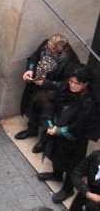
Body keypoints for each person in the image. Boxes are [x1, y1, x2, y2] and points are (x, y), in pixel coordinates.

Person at [35, 65, 99, 204]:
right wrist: (49, 124)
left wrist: (59, 131)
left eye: (77, 83)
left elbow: (82, 124)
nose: (73, 85)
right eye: (71, 81)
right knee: (55, 154)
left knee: (72, 164)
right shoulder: (64, 89)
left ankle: (67, 188)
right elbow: (51, 103)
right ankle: (56, 174)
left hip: (74, 139)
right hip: (56, 130)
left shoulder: (89, 101)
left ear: (86, 84)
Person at [15, 34, 79, 142]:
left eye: (52, 52)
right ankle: (32, 129)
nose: (48, 52)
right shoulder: (46, 45)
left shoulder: (70, 62)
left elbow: (66, 84)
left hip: (53, 93)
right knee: (33, 106)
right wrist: (30, 69)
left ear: (60, 51)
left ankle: (44, 141)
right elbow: (34, 58)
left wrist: (46, 83)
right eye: (48, 49)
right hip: (37, 84)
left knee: (47, 116)